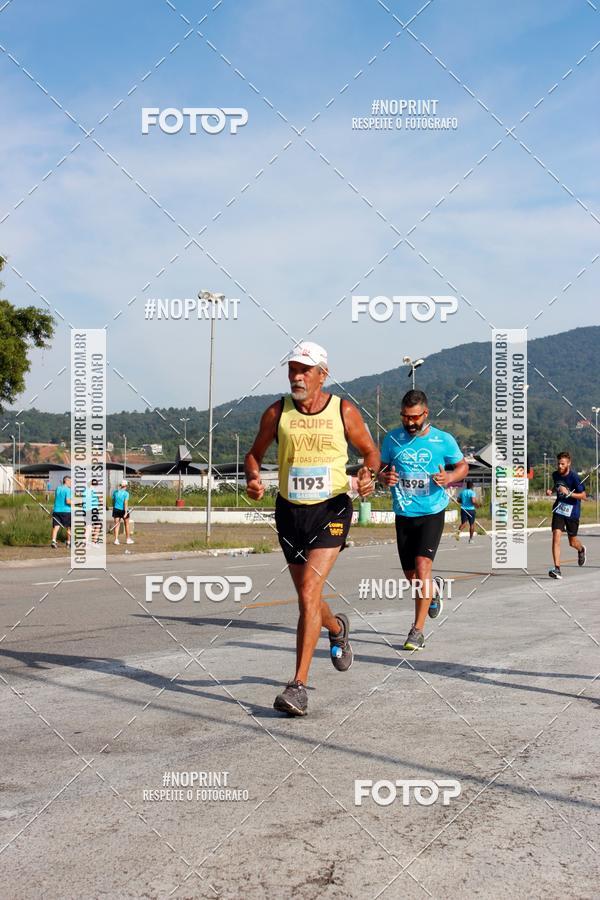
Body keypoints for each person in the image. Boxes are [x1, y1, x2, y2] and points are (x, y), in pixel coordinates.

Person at [245, 341, 380, 717]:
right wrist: (253, 478)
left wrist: (368, 473)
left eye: (304, 370)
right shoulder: (277, 412)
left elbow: (371, 451)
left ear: (323, 373)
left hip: (331, 509)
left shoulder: (343, 411)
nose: (297, 377)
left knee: (307, 591)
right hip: (289, 512)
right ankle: (336, 628)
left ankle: (298, 687)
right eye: (292, 369)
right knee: (309, 596)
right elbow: (254, 454)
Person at [379, 390, 469, 651]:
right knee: (412, 576)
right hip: (404, 513)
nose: (410, 423)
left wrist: (450, 478)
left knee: (422, 567)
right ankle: (433, 593)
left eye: (414, 417)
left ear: (425, 414)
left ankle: (417, 631)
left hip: (431, 512)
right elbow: (382, 468)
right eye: (405, 417)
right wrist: (385, 478)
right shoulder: (392, 439)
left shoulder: (443, 440)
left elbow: (462, 466)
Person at [546, 451, 586, 579]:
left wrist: (569, 493)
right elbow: (557, 484)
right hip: (559, 509)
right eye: (558, 464)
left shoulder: (574, 477)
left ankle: (581, 550)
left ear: (568, 463)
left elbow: (583, 496)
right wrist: (551, 490)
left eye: (562, 464)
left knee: (572, 542)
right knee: (556, 536)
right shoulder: (555, 475)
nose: (560, 466)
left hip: (572, 512)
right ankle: (557, 569)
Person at [51, 475, 72, 549]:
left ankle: (53, 541)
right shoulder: (68, 490)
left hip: (56, 510)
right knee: (69, 527)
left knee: (56, 527)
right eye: (70, 481)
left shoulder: (58, 488)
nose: (71, 483)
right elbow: (68, 501)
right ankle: (68, 542)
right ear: (66, 481)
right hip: (66, 511)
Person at [112, 479, 134, 545]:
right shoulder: (126, 493)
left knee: (117, 525)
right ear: (125, 486)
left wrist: (114, 508)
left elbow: (113, 502)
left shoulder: (115, 492)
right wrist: (125, 512)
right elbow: (125, 503)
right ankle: (128, 539)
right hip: (123, 510)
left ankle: (116, 540)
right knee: (126, 525)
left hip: (116, 509)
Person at [84, 478, 102, 543]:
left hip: (86, 510)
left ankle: (85, 541)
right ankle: (94, 541)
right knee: (98, 525)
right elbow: (100, 500)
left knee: (88, 525)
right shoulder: (95, 490)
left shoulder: (85, 491)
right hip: (93, 510)